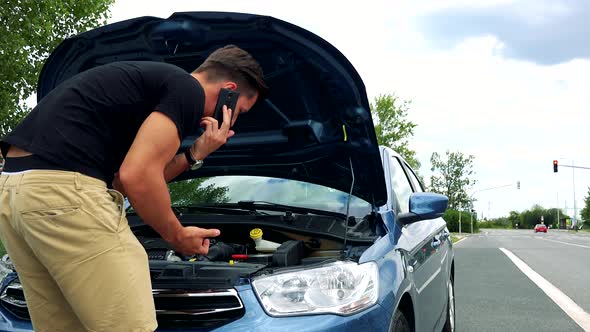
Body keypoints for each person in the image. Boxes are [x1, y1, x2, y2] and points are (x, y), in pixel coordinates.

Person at [0, 44, 267, 332]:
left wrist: (195, 154)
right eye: (238, 110)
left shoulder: (143, 89)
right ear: (228, 91)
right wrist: (176, 235)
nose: (234, 120)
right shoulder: (187, 89)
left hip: (17, 194)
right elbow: (137, 176)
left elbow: (123, 182)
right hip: (63, 195)